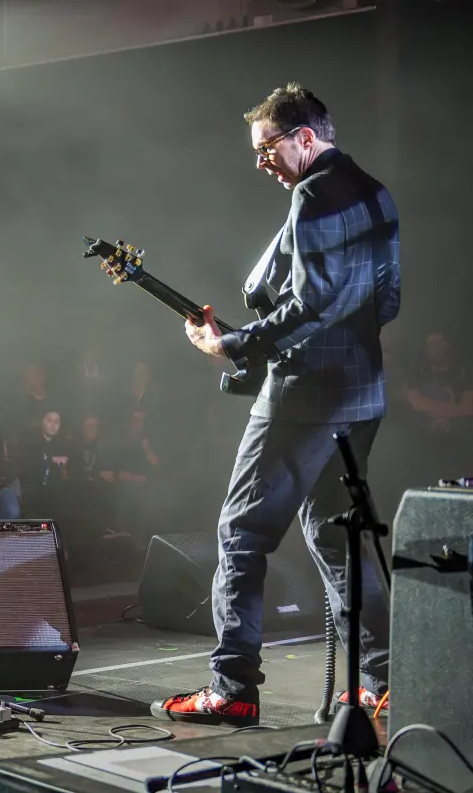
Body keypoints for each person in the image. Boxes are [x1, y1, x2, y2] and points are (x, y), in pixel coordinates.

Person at [154, 84, 400, 726]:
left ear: (306, 138)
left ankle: (232, 687)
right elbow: (387, 298)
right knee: (336, 535)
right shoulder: (377, 192)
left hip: (304, 397)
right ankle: (383, 680)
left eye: (268, 148)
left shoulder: (313, 195)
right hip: (362, 389)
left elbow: (312, 305)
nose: (262, 161)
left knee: (241, 533)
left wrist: (232, 343)